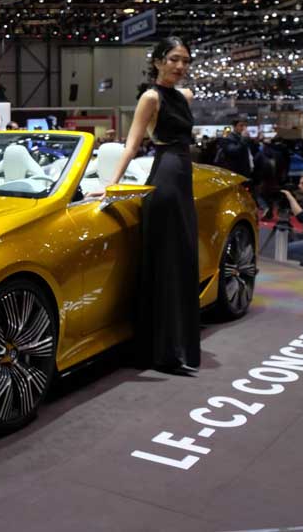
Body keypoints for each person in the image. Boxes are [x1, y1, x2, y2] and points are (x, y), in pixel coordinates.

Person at [90, 37, 200, 377]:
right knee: (166, 263)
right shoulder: (151, 98)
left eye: (185, 60)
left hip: (183, 179)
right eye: (174, 59)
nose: (180, 66)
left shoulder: (185, 96)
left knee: (182, 260)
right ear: (157, 61)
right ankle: (163, 351)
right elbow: (132, 144)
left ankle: (176, 345)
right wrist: (112, 183)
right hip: (165, 180)